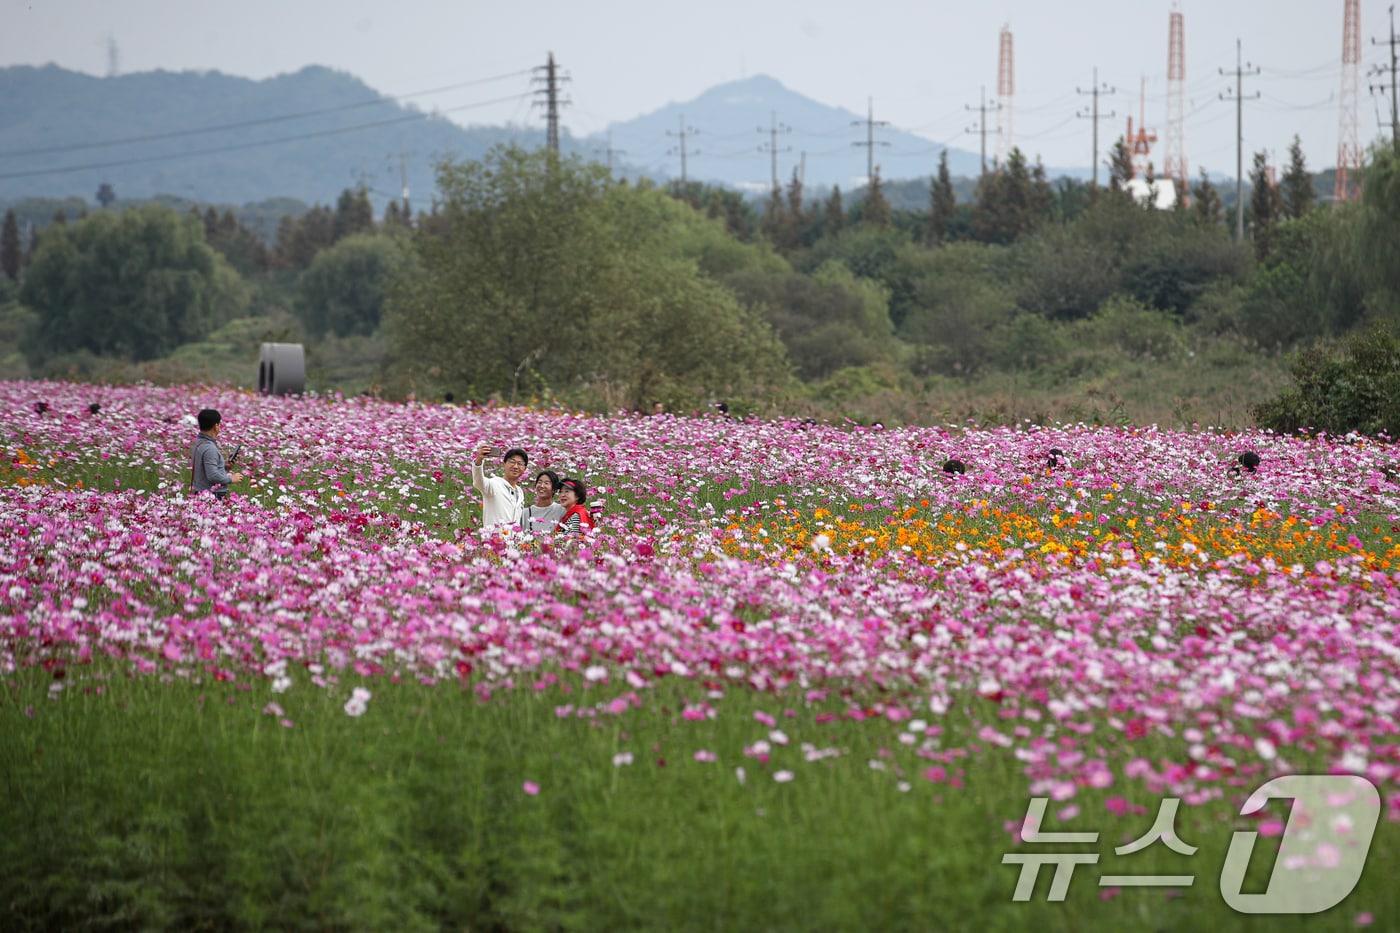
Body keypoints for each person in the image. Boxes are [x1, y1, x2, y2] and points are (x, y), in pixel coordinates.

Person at [472, 443, 528, 529]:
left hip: (513, 541)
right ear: (504, 464)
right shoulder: (493, 484)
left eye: (520, 464)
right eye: (512, 462)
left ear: (524, 468)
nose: (516, 466)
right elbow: (478, 482)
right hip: (493, 540)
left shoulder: (520, 491)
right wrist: (479, 461)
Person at [191, 408, 243, 499]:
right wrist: (231, 479)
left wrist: (224, 467)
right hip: (211, 496)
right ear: (216, 426)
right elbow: (212, 476)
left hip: (201, 493)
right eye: (219, 424)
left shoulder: (198, 443)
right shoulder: (209, 448)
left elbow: (205, 468)